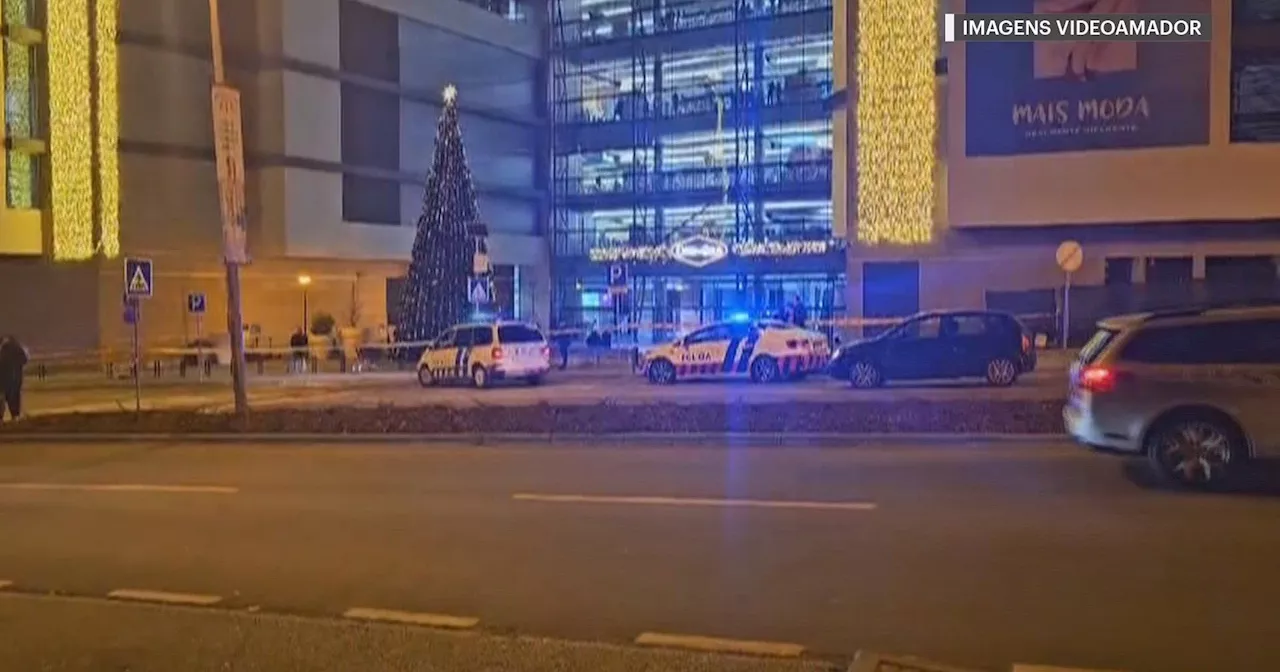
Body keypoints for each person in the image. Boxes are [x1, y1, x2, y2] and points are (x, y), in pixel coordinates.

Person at [0, 334, 29, 421]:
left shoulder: (4, 351)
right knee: (14, 399)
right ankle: (15, 418)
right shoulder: (18, 348)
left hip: (4, 380)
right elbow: (25, 360)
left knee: (3, 398)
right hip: (15, 379)